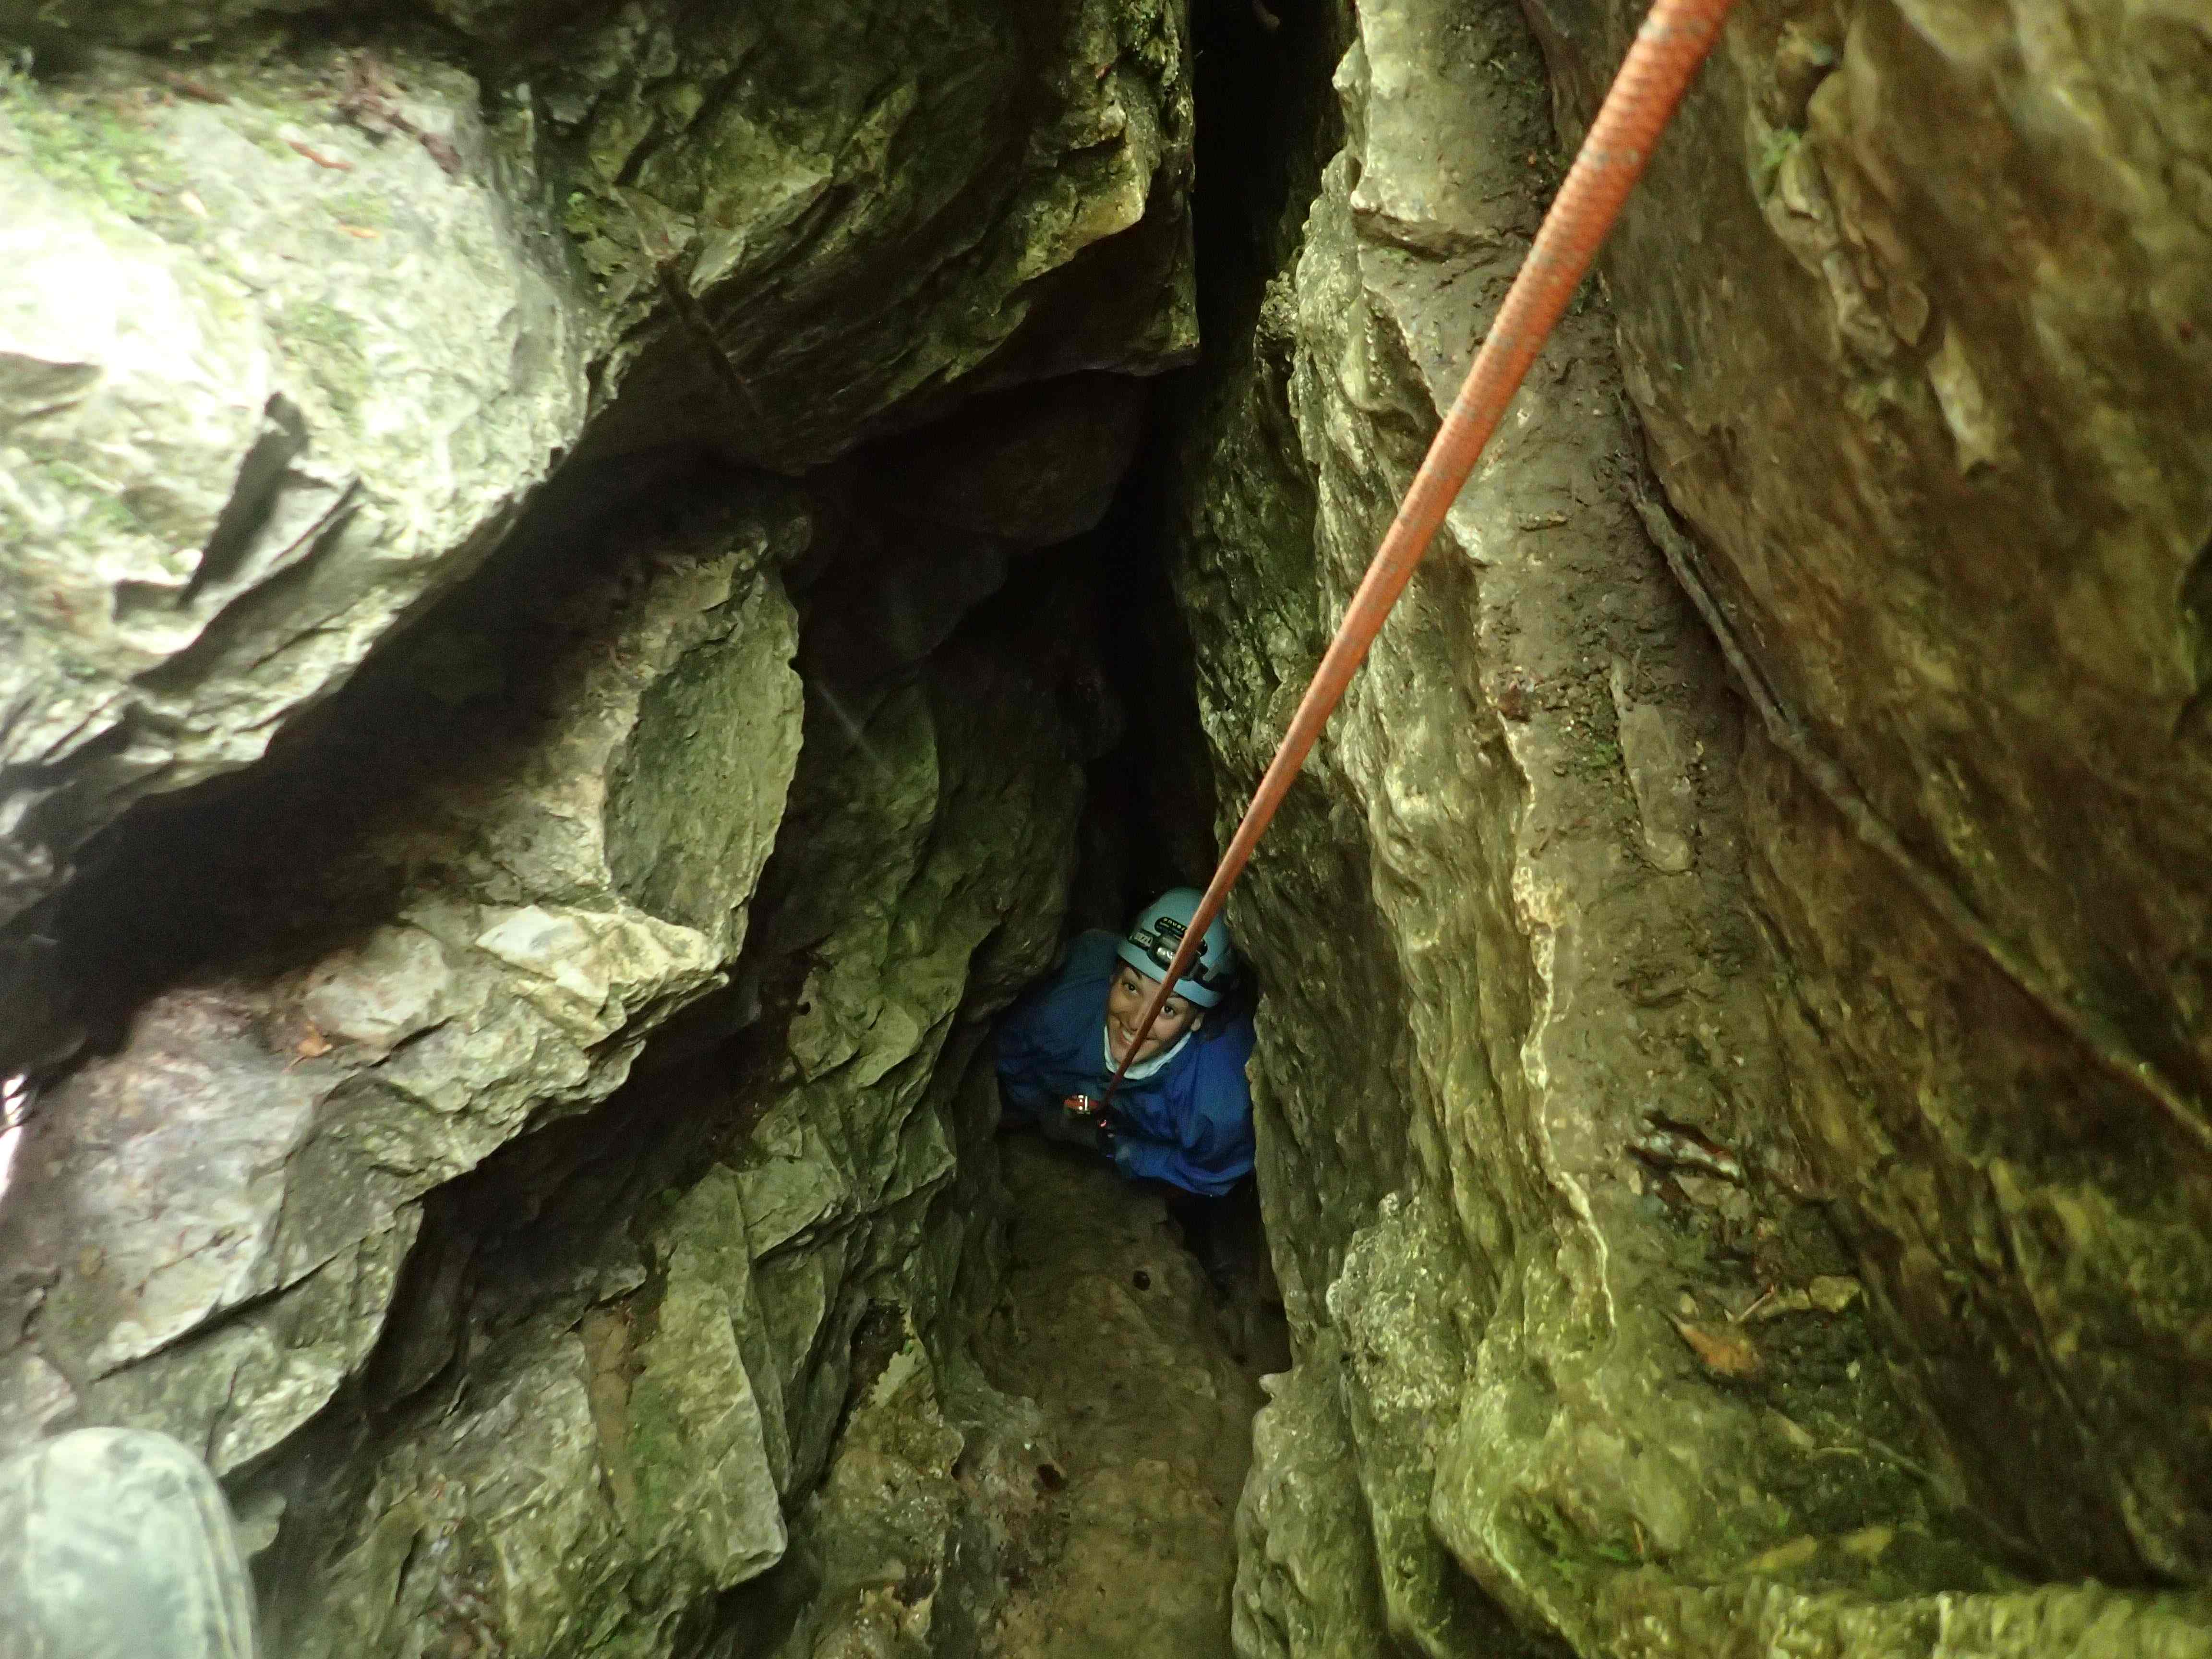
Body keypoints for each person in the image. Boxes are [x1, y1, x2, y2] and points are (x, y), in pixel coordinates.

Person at [994, 888, 1256, 1200]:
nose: (1136, 1022)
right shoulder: (1058, 1003)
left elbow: (1210, 1173)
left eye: (1168, 1009)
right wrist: (1039, 1111)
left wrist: (1119, 1149)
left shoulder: (1217, 1102)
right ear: (1112, 974)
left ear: (1197, 1019)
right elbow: (1011, 1058)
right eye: (1131, 987)